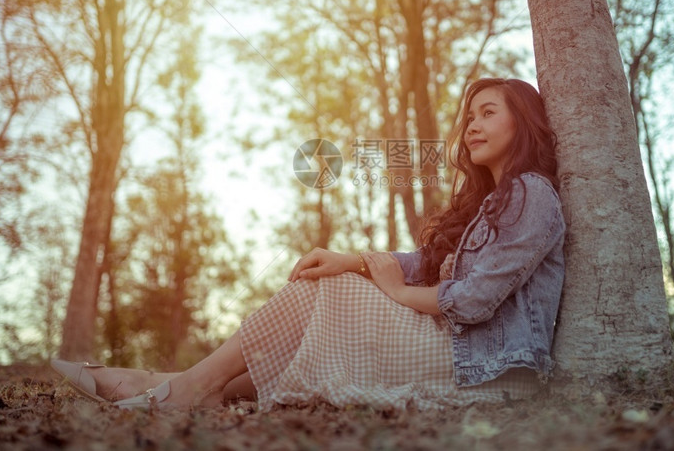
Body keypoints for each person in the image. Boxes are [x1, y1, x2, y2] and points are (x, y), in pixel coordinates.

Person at [51, 77, 566, 411]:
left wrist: (397, 292)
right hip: (466, 352)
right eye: (469, 116)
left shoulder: (530, 193)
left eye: (488, 113)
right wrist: (357, 260)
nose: (472, 125)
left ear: (523, 121)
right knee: (326, 292)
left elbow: (474, 300)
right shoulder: (493, 200)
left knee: (327, 294)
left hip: (488, 369)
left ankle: (176, 387)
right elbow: (426, 263)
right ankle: (165, 384)